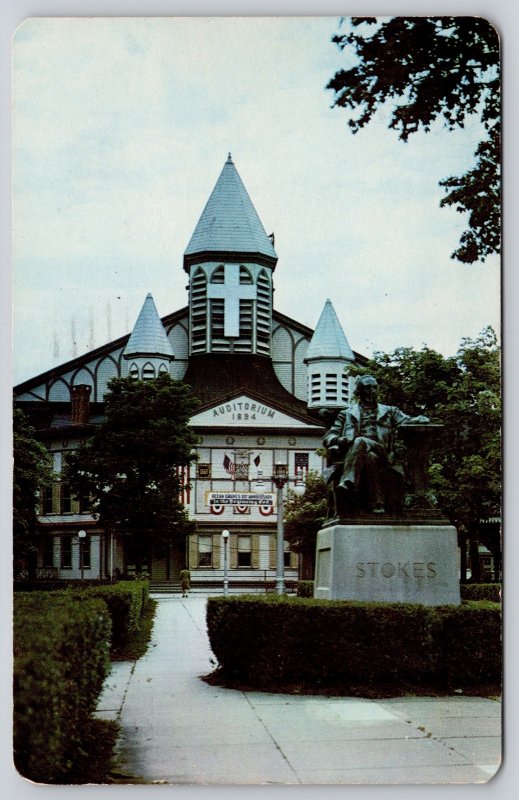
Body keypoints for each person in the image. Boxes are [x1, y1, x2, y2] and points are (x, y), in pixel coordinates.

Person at [324, 374, 429, 514]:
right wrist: (339, 440)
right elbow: (329, 437)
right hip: (360, 456)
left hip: (383, 452)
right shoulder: (347, 413)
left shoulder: (389, 411)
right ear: (359, 391)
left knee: (360, 441)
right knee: (369, 457)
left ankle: (348, 481)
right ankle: (377, 503)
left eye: (374, 388)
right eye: (368, 388)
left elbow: (406, 421)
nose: (372, 391)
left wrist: (420, 419)